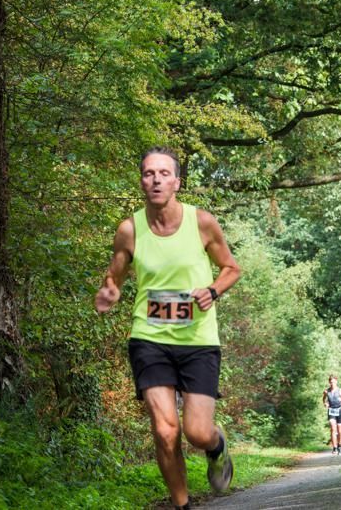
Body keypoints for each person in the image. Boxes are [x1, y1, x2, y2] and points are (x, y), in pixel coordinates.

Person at [95, 147, 241, 510]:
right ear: (141, 180)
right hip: (150, 337)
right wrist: (110, 291)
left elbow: (231, 269)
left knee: (196, 432)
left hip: (198, 340)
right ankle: (182, 506)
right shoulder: (130, 229)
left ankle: (217, 446)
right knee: (165, 431)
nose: (156, 179)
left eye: (164, 173)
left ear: (177, 181)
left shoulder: (202, 222)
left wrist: (211, 291)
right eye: (148, 173)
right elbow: (115, 274)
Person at [322, 375, 341, 455]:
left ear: (336, 382)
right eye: (330, 382)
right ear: (329, 382)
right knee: (333, 429)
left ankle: (339, 446)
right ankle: (334, 448)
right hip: (331, 411)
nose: (332, 383)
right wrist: (325, 403)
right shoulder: (326, 391)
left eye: (333, 382)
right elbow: (324, 399)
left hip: (339, 410)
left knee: (340, 431)